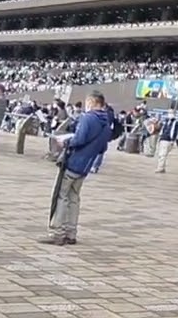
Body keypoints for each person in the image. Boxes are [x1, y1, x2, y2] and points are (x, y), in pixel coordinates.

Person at [38, 91, 110, 245]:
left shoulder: (88, 118)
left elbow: (79, 138)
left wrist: (65, 142)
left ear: (91, 101)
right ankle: (71, 232)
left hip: (74, 161)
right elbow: (103, 147)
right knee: (74, 197)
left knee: (62, 195)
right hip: (86, 165)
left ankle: (57, 231)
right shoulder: (106, 121)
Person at [154, 109, 178, 174]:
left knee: (163, 154)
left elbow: (174, 132)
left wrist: (172, 140)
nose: (169, 114)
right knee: (160, 154)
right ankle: (162, 167)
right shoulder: (166, 121)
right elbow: (162, 129)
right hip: (163, 138)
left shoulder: (175, 123)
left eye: (171, 113)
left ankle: (160, 167)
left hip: (168, 140)